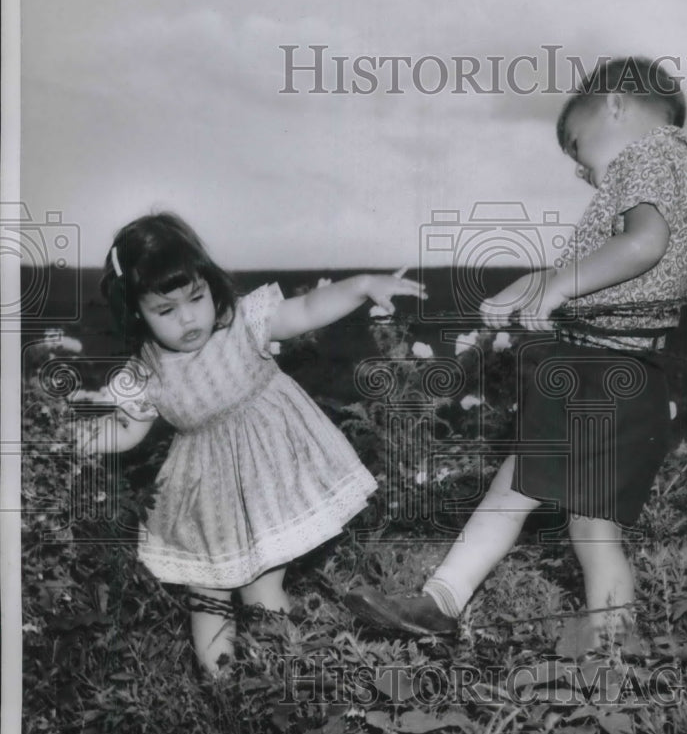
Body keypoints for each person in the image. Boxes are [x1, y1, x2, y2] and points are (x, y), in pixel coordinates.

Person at [345, 57, 687, 655]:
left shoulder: (650, 154)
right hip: (622, 372)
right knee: (588, 527)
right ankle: (605, 653)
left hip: (596, 370)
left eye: (576, 146)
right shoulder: (671, 162)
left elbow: (645, 244)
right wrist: (539, 282)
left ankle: (448, 602)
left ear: (615, 105)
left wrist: (555, 286)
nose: (581, 170)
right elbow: (620, 261)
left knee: (525, 499)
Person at [76, 212, 426, 674]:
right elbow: (126, 429)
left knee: (262, 591)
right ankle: (223, 696)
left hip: (267, 484)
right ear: (136, 312)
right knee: (207, 600)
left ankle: (287, 685)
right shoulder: (146, 371)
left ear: (209, 284)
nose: (187, 318)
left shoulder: (242, 321)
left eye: (196, 298)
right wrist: (75, 438)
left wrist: (361, 284)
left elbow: (305, 311)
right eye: (165, 310)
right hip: (205, 502)